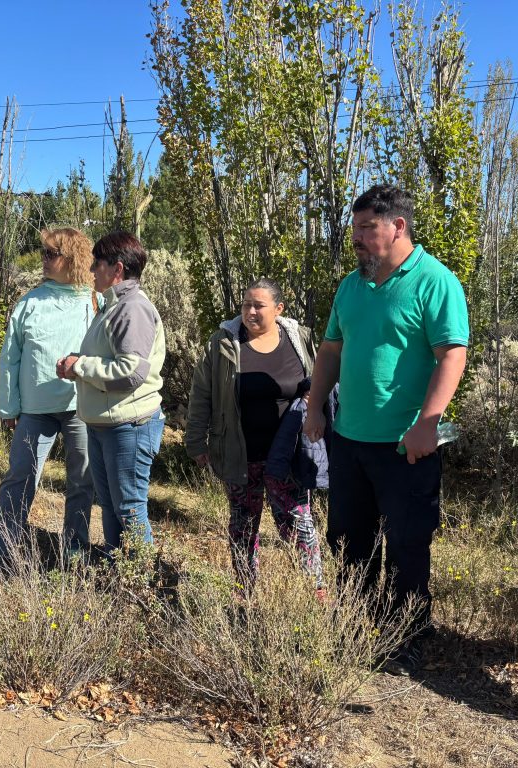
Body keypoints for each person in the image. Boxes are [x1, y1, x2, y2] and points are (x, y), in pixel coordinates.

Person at [304, 185, 469, 676]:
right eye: (354, 229)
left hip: (406, 445)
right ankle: (356, 624)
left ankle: (407, 636)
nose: (356, 239)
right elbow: (331, 351)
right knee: (347, 540)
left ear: (397, 227)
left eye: (366, 229)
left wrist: (428, 423)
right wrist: (315, 408)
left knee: (407, 543)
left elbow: (451, 355)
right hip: (350, 439)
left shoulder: (435, 281)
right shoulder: (352, 285)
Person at [185, 279, 325, 594]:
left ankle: (315, 591)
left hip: (287, 457)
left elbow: (318, 382)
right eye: (246, 304)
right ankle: (245, 589)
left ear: (278, 309)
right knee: (243, 525)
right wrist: (196, 441)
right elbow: (202, 395)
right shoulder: (224, 342)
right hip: (239, 453)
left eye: (258, 305)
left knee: (298, 524)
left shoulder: (299, 339)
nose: (250, 311)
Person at [0, 228, 98, 581]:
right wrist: (9, 407)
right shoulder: (29, 302)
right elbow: (9, 358)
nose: (43, 259)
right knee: (19, 479)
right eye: (42, 252)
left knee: (81, 480)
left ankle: (75, 550)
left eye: (51, 253)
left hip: (80, 407)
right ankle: (1, 551)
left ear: (71, 258)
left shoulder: (94, 300)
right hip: (33, 411)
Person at [56, 232, 166, 554]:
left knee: (130, 508)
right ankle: (119, 575)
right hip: (107, 424)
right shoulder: (113, 306)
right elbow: (108, 361)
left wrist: (81, 366)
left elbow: (131, 372)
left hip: (129, 426)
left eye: (97, 263)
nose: (91, 270)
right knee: (111, 505)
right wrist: (76, 365)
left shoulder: (133, 309)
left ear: (117, 269)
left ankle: (141, 584)